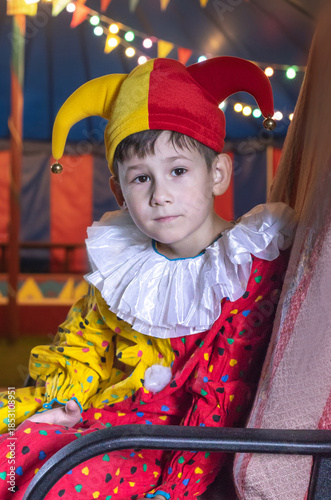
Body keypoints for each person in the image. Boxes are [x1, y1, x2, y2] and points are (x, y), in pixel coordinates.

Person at [0, 56, 296, 500]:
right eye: (141, 178)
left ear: (217, 174)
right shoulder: (122, 268)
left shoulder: (246, 269)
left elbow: (222, 399)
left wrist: (176, 489)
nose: (160, 195)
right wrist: (56, 409)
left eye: (178, 171)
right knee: (12, 453)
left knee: (59, 483)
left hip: (171, 446)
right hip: (105, 420)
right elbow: (84, 348)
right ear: (119, 191)